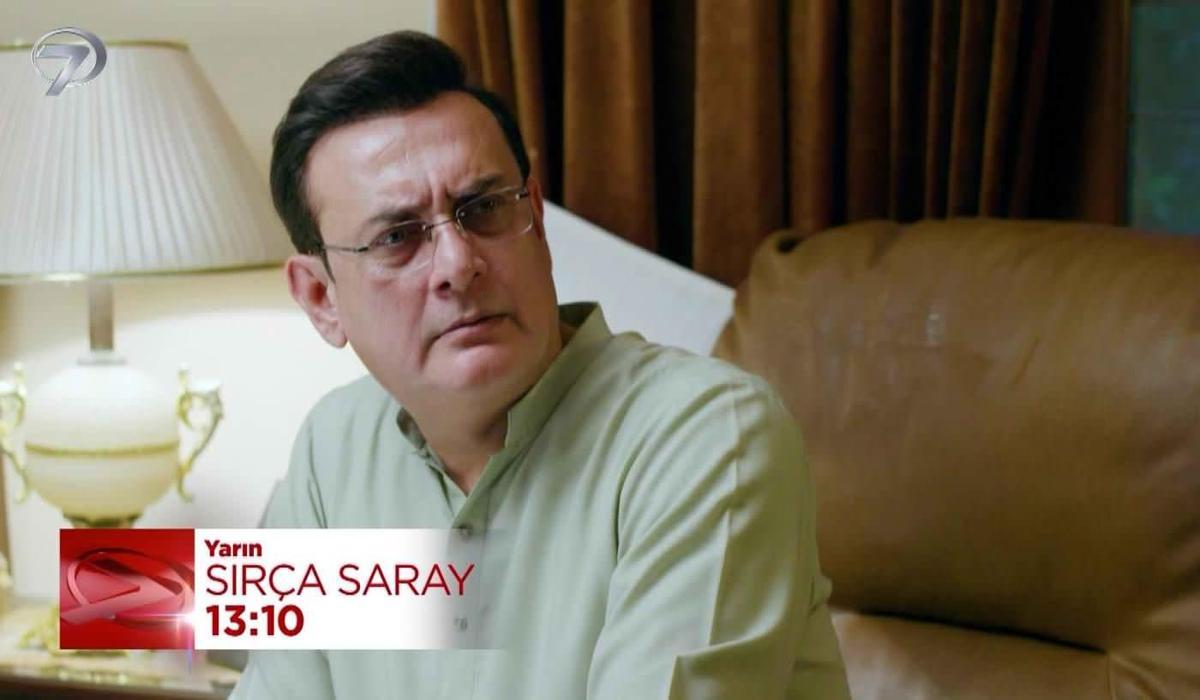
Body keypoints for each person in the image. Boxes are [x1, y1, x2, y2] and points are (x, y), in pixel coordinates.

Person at [231, 30, 849, 699]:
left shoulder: (708, 438)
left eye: (483, 209)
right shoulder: (334, 448)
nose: (459, 264)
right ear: (321, 299)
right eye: (397, 237)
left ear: (537, 220)